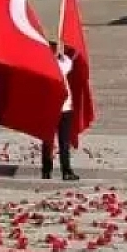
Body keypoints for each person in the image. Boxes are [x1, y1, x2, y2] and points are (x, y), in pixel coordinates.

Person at [41, 42, 80, 182]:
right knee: (63, 142)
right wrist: (64, 54)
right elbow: (73, 56)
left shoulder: (42, 67)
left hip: (50, 108)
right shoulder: (60, 65)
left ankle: (46, 170)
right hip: (62, 108)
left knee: (47, 141)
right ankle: (66, 171)